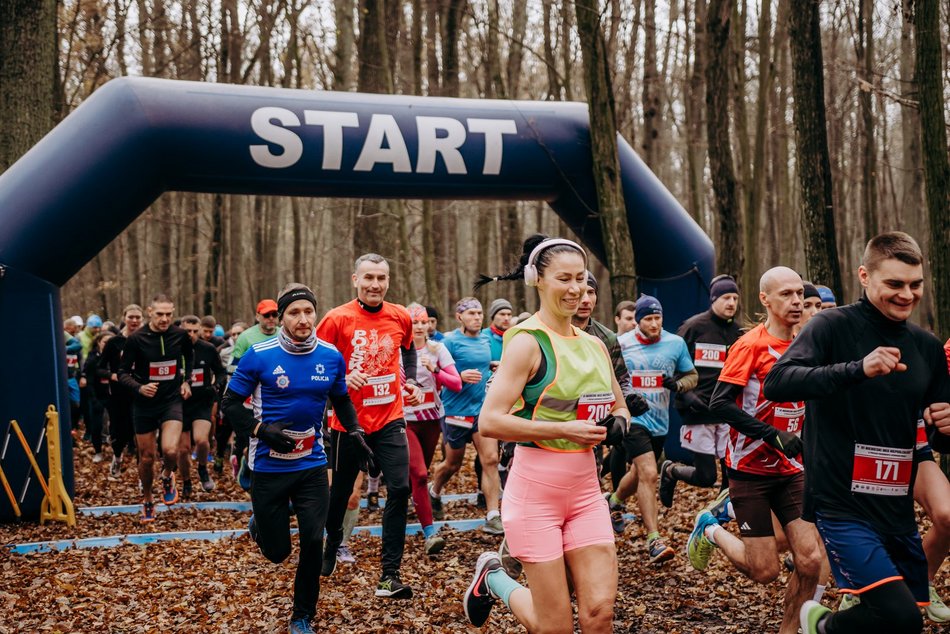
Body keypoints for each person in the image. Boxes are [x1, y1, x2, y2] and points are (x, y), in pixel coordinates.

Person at [760, 233, 950, 634]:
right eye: (894, 284)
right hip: (840, 500)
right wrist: (856, 369)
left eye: (915, 285)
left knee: (896, 618)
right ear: (865, 276)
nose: (907, 295)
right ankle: (824, 624)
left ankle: (823, 625)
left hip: (895, 506)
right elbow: (778, 383)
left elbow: (936, 436)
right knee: (900, 617)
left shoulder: (927, 347)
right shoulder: (832, 326)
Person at [462, 235, 629, 631]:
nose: (575, 290)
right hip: (535, 492)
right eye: (563, 279)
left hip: (587, 490)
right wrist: (564, 430)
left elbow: (620, 404)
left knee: (599, 615)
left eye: (582, 279)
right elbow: (490, 421)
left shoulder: (595, 345)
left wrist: (620, 421)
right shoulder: (526, 342)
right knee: (553, 627)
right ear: (536, 279)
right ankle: (495, 578)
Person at [221, 283, 371, 634]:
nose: (303, 319)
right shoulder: (259, 355)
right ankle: (260, 525)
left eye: (308, 311)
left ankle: (302, 615)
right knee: (277, 553)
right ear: (283, 317)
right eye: (294, 313)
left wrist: (355, 431)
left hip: (311, 466)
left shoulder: (331, 356)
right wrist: (261, 431)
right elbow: (229, 404)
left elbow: (342, 398)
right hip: (269, 467)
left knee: (313, 542)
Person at [687, 266, 824, 634]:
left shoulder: (808, 343)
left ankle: (789, 630)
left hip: (792, 470)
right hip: (749, 469)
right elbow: (719, 403)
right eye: (786, 295)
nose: (796, 301)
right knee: (764, 571)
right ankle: (711, 530)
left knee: (810, 561)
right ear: (765, 300)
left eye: (799, 294)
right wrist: (771, 435)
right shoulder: (750, 345)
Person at [317, 253, 423, 599]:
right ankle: (332, 538)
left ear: (388, 281)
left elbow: (407, 350)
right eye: (369, 278)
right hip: (348, 423)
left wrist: (410, 380)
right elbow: (316, 366)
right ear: (355, 280)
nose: (375, 284)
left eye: (381, 278)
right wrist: (343, 379)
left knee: (400, 488)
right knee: (342, 493)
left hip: (391, 418)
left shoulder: (400, 316)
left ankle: (389, 575)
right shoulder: (336, 319)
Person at [608, 294, 697, 562]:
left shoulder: (675, 343)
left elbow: (692, 375)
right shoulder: (621, 344)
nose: (654, 323)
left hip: (660, 421)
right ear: (637, 320)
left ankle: (614, 501)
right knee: (649, 471)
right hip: (633, 419)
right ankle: (654, 539)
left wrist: (678, 385)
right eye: (648, 318)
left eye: (658, 318)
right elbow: (606, 377)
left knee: (638, 473)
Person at [660, 274, 742, 508]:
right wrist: (685, 394)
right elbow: (671, 362)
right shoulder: (694, 327)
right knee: (707, 477)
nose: (731, 303)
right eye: (726, 297)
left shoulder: (739, 333)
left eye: (735, 298)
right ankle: (671, 470)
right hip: (697, 410)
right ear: (714, 298)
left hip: (727, 412)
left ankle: (719, 518)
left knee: (731, 477)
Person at [428, 297, 503, 534]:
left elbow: (481, 363)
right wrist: (459, 376)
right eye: (471, 313)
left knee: (490, 460)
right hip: (455, 410)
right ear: (459, 316)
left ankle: (493, 515)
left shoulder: (485, 339)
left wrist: (493, 365)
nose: (477, 317)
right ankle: (434, 491)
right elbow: (436, 373)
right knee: (453, 464)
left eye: (479, 313)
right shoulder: (449, 342)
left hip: (482, 409)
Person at [118, 294, 194, 522]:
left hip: (171, 400)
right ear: (150, 311)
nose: (164, 319)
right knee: (148, 457)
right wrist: (139, 388)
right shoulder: (136, 339)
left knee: (171, 451)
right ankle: (148, 499)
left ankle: (168, 475)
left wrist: (186, 380)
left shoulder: (180, 336)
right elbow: (122, 373)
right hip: (144, 404)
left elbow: (189, 358)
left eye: (169, 314)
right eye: (160, 314)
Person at [404, 303, 461, 554]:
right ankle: (430, 532)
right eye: (413, 322)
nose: (418, 326)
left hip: (431, 419)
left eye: (422, 321)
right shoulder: (397, 350)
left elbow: (456, 383)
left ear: (429, 324)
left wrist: (435, 369)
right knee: (419, 474)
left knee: (419, 473)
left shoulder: (438, 349)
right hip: (404, 420)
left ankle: (411, 498)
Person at [228, 299, 280, 489]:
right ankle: (250, 469)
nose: (271, 319)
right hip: (251, 396)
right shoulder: (246, 338)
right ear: (258, 316)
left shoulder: (284, 334)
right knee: (255, 436)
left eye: (275, 314)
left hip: (278, 394)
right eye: (267, 315)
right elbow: (232, 366)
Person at [179, 315, 226, 496]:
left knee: (202, 440)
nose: (191, 334)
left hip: (202, 401)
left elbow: (221, 372)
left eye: (194, 331)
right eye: (187, 331)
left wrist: (215, 386)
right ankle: (186, 482)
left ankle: (202, 469)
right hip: (180, 404)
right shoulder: (174, 349)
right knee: (182, 450)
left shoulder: (208, 349)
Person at [101, 304, 144, 478]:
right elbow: (98, 368)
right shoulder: (114, 342)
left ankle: (143, 475)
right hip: (118, 396)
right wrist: (111, 375)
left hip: (142, 394)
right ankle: (117, 457)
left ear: (142, 319)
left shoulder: (147, 340)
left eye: (137, 317)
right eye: (131, 317)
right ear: (124, 318)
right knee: (120, 434)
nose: (134, 321)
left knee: (141, 434)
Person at [81, 331, 114, 463]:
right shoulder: (93, 358)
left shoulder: (117, 357)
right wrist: (94, 399)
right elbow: (89, 380)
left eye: (110, 342)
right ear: (99, 342)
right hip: (97, 396)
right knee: (96, 426)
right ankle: (98, 451)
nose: (107, 345)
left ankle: (117, 452)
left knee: (116, 425)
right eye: (105, 342)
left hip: (113, 396)